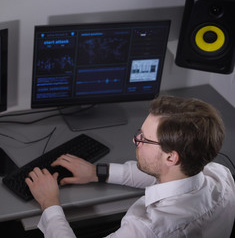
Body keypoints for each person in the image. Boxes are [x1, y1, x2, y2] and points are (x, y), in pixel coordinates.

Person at [25, 95, 235, 238]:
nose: (135, 140)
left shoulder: (146, 228)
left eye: (144, 139)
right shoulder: (221, 176)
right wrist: (96, 172)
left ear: (171, 158)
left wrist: (49, 203)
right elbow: (166, 175)